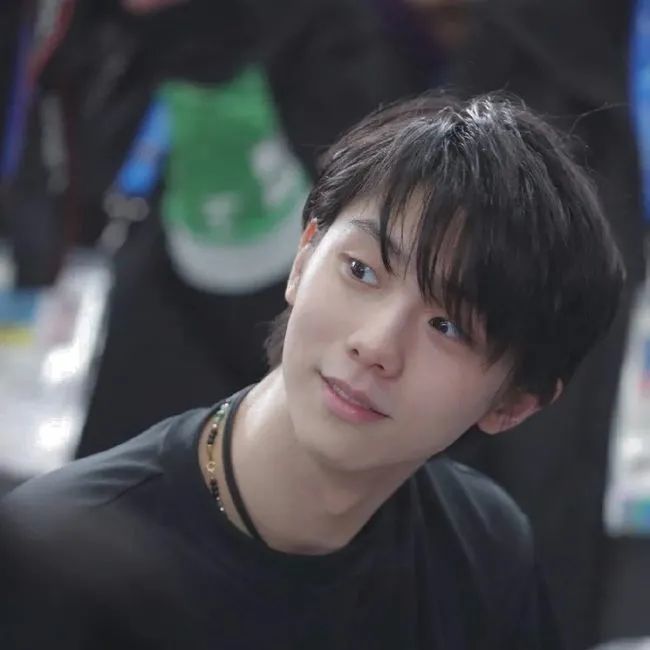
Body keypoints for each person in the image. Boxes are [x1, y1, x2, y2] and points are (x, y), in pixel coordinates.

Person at [2, 93, 624, 649]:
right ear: (303, 258)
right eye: (361, 271)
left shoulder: (482, 549)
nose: (375, 345)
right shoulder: (50, 560)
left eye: (449, 327)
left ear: (514, 403)